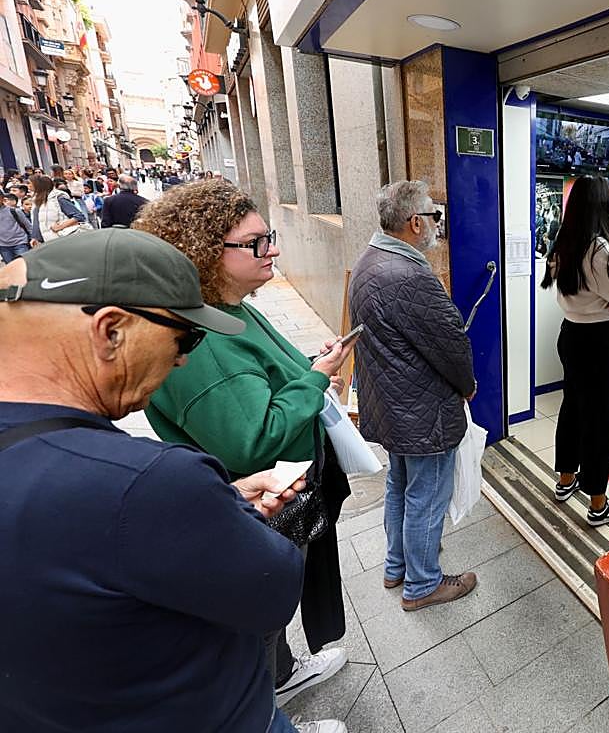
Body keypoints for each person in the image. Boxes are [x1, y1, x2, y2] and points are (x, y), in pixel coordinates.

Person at [0, 229, 348, 733]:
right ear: (110, 331)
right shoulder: (152, 482)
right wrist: (226, 514)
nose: (184, 358)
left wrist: (221, 500)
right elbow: (271, 590)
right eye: (184, 337)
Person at [134, 180, 351, 708]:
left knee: (275, 602)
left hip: (286, 488)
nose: (271, 249)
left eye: (269, 236)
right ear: (207, 251)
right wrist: (316, 379)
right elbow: (252, 442)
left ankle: (280, 675)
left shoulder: (232, 306)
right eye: (255, 242)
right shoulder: (202, 339)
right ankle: (263, 701)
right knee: (261, 611)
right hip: (267, 499)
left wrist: (308, 368)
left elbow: (267, 377)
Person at [349, 180, 479, 608]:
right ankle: (423, 584)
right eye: (434, 217)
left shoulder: (370, 261)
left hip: (391, 403)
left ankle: (396, 566)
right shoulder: (409, 276)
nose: (437, 226)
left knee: (400, 484)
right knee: (427, 492)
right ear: (415, 222)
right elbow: (452, 347)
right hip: (422, 410)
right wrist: (468, 386)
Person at [541, 176, 609, 526]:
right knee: (601, 420)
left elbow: (567, 290)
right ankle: (599, 504)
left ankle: (565, 481)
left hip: (571, 336)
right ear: (603, 206)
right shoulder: (601, 251)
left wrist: (605, 301)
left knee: (572, 407)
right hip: (601, 344)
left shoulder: (562, 242)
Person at [30, 173, 85, 242]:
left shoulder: (58, 198)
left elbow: (79, 216)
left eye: (30, 183)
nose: (28, 185)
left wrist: (60, 226)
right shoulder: (36, 200)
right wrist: (35, 238)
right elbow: (36, 222)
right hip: (46, 241)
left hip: (61, 239)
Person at [0, 192, 35, 262]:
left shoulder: (14, 211)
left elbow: (28, 226)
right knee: (11, 268)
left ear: (2, 198)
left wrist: (33, 238)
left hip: (20, 243)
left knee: (24, 265)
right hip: (3, 246)